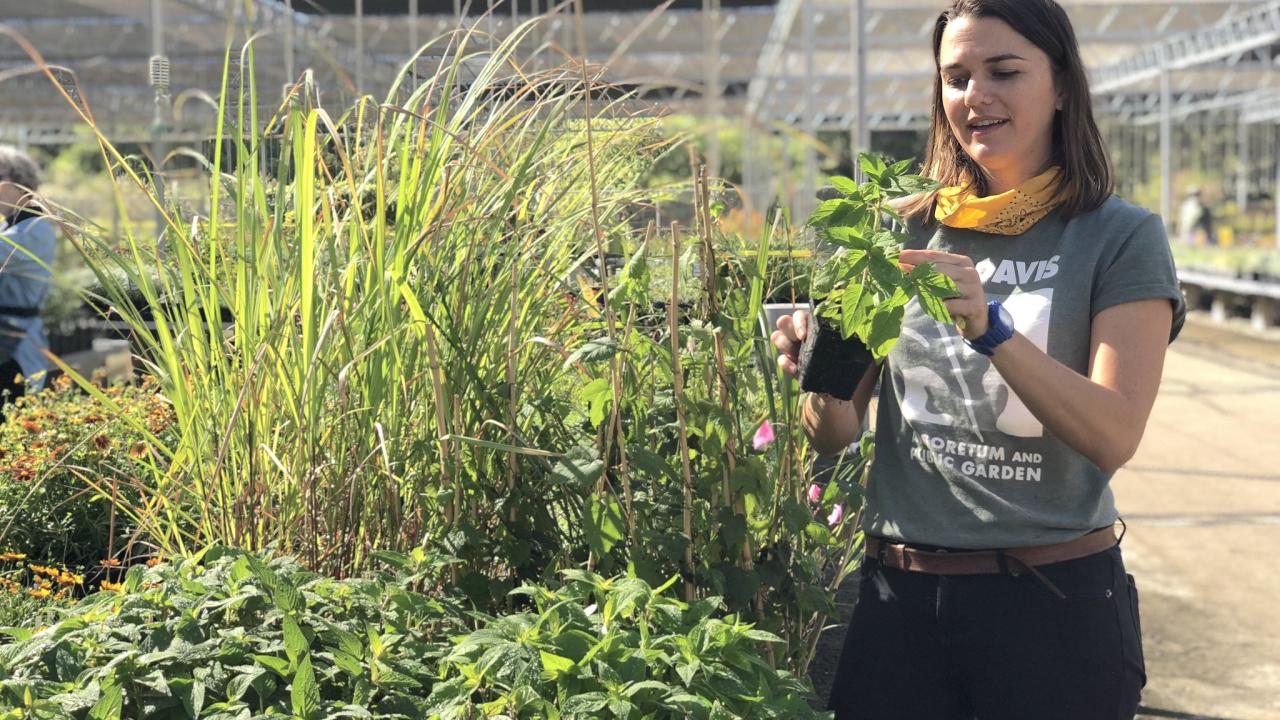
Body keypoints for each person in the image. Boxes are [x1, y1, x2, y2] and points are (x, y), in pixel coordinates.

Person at [771, 2, 1184, 718]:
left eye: (1004, 71)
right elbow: (832, 434)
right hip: (899, 600)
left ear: (1061, 85)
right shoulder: (900, 227)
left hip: (1053, 607)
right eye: (955, 77)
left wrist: (992, 329)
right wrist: (817, 367)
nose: (975, 95)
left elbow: (1114, 434)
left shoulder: (1119, 237)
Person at [0, 145, 57, 418]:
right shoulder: (11, 225)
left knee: (12, 426)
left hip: (17, 344)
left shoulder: (35, 229)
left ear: (19, 185)